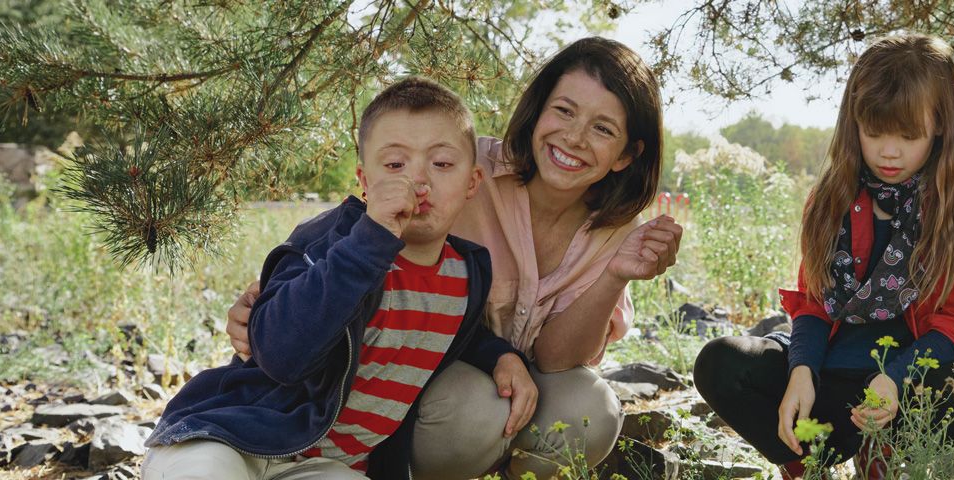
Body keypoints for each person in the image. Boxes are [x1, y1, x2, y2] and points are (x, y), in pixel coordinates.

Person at [224, 37, 682, 479]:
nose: (575, 137)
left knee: (590, 411)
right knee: (472, 406)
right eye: (563, 111)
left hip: (530, 386)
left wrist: (615, 275)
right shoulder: (459, 164)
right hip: (433, 383)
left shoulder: (620, 228)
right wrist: (275, 296)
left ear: (626, 155)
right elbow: (359, 220)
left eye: (603, 129)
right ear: (538, 110)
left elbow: (560, 360)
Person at [143, 78, 534, 480]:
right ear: (365, 183)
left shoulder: (466, 273)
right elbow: (280, 354)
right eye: (395, 165)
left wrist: (502, 357)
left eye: (442, 164)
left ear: (472, 182)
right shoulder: (333, 239)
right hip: (234, 434)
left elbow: (450, 334)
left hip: (323, 466)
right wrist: (371, 240)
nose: (418, 182)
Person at [693, 34, 954, 479]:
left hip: (905, 386)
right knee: (720, 361)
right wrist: (802, 371)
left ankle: (882, 461)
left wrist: (895, 378)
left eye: (908, 134)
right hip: (829, 375)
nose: (889, 151)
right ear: (854, 123)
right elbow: (812, 302)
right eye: (874, 132)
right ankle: (805, 460)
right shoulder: (829, 199)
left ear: (940, 126)